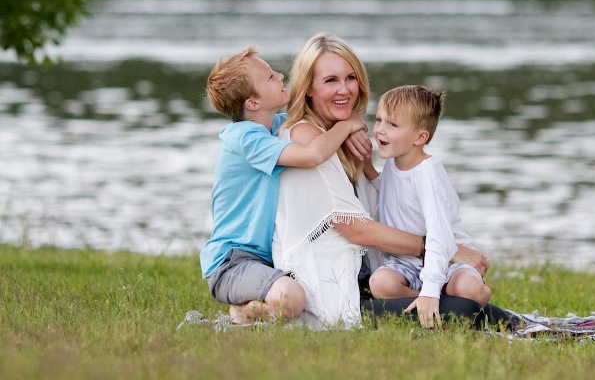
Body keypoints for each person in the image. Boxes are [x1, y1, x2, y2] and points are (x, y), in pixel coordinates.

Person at [272, 32, 516, 330]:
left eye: (351, 77)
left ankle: (491, 315)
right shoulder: (309, 139)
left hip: (368, 277)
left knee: (461, 299)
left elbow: (387, 202)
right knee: (462, 308)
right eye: (330, 80)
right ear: (308, 88)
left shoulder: (343, 136)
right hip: (330, 290)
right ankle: (506, 321)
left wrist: (359, 150)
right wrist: (445, 249)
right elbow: (354, 227)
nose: (344, 89)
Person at [199, 46, 368, 324]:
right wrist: (348, 125)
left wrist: (346, 128)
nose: (280, 75)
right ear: (253, 102)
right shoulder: (244, 138)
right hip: (232, 262)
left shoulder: (275, 126)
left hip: (268, 260)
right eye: (269, 76)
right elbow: (313, 155)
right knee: (292, 298)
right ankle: (243, 312)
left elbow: (316, 126)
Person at [367, 85, 492, 329]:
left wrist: (432, 287)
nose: (380, 129)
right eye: (379, 119)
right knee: (380, 283)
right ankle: (440, 308)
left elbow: (438, 235)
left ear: (420, 138)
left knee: (467, 288)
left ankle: (471, 300)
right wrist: (366, 167)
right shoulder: (394, 161)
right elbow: (393, 193)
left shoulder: (428, 174)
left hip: (448, 260)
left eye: (392, 124)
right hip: (408, 263)